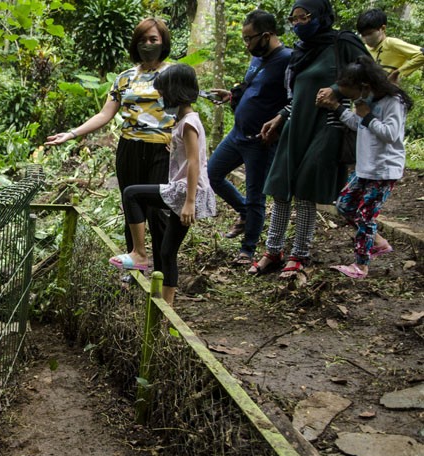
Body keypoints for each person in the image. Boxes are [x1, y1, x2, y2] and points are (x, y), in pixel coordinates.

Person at [46, 18, 174, 280]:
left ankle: (162, 268)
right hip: (129, 149)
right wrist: (71, 134)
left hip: (163, 149)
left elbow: (186, 111)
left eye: (153, 39)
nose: (148, 45)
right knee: (132, 207)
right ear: (135, 44)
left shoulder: (174, 74)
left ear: (163, 42)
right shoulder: (124, 78)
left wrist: (183, 142)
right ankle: (135, 260)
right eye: (143, 40)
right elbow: (105, 114)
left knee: (157, 210)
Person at [253, 0, 371, 278]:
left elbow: (369, 72)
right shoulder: (301, 52)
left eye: (303, 17)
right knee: (281, 186)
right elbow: (298, 94)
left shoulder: (342, 42)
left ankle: (299, 254)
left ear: (320, 15)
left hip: (327, 125)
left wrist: (336, 90)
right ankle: (273, 249)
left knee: (306, 189)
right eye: (293, 20)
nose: (297, 25)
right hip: (296, 125)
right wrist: (280, 116)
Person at [108, 64, 216, 304]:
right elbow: (188, 154)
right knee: (167, 252)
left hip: (184, 192)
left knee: (132, 194)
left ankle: (139, 254)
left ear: (175, 92)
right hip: (186, 191)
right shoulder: (186, 120)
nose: (161, 99)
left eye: (163, 93)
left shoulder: (188, 123)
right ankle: (167, 310)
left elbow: (194, 162)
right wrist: (174, 148)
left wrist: (188, 202)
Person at [206, 9, 292, 267]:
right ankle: (244, 213)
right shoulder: (258, 58)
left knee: (256, 195)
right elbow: (254, 89)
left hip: (260, 141)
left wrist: (279, 122)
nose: (246, 45)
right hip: (237, 134)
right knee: (213, 173)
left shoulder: (288, 60)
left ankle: (248, 249)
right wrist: (232, 96)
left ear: (266, 36)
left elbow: (294, 99)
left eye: (249, 39)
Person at [316, 56, 413, 278]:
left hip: (384, 169)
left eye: (351, 93)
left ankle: (361, 266)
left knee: (366, 216)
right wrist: (337, 107)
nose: (352, 98)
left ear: (365, 86)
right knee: (344, 205)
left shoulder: (393, 102)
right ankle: (378, 243)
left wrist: (368, 116)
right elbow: (359, 125)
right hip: (365, 167)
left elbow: (391, 135)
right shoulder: (368, 100)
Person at [356, 8, 424, 83]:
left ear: (382, 28)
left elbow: (421, 54)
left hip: (390, 91)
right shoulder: (364, 48)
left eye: (369, 33)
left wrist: (398, 73)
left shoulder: (390, 43)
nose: (366, 38)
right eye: (363, 35)